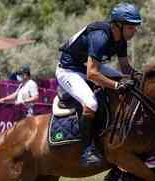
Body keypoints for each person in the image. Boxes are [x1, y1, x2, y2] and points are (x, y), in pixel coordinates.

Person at [55, 3, 142, 166]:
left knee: (124, 79)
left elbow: (125, 68)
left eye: (135, 27)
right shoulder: (100, 37)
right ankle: (86, 150)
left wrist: (138, 77)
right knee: (91, 104)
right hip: (69, 70)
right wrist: (116, 86)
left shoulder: (121, 40)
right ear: (118, 25)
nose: (134, 31)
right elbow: (92, 74)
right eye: (131, 27)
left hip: (88, 66)